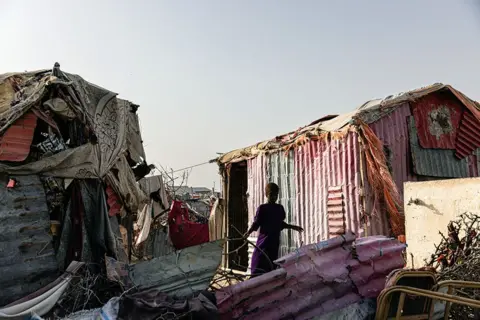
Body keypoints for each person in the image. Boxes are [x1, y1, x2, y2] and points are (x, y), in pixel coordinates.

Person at [244, 182, 303, 277]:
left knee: (271, 264)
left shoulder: (279, 208)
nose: (274, 197)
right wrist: (248, 232)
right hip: (264, 242)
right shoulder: (262, 208)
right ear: (266, 194)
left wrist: (293, 227)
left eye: (276, 195)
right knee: (259, 262)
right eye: (271, 194)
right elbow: (256, 223)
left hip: (274, 242)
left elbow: (280, 224)